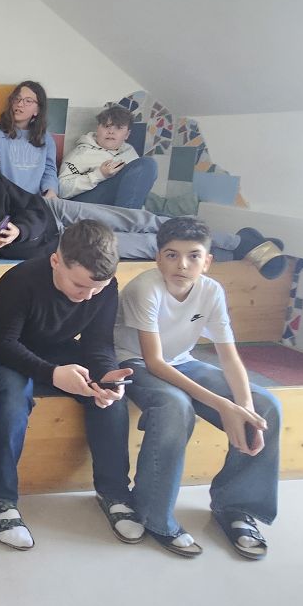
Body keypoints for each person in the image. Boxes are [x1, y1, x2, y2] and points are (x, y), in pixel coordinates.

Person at [0, 220, 140, 549]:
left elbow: (98, 343)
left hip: (52, 344)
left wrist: (106, 374)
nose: (87, 296)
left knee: (108, 396)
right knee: (13, 396)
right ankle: (0, 498)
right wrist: (52, 374)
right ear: (56, 261)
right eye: (80, 285)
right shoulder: (21, 279)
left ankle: (115, 493)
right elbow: (4, 344)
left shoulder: (104, 287)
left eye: (97, 288)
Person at [115, 217, 280, 559]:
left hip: (182, 361)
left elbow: (229, 357)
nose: (182, 265)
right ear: (158, 258)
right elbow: (154, 362)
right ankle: (154, 516)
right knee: (175, 407)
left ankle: (236, 506)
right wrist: (223, 405)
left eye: (193, 256)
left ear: (207, 261)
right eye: (171, 255)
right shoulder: (145, 289)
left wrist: (245, 407)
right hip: (136, 363)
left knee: (266, 406)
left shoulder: (212, 291)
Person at [0, 128, 261, 273]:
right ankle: (228, 252)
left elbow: (28, 204)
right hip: (55, 244)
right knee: (142, 244)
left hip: (52, 211)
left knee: (139, 219)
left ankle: (236, 241)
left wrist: (20, 228)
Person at [59, 104, 157, 209]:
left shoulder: (130, 153)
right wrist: (99, 174)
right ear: (98, 129)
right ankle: (127, 217)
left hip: (117, 206)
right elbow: (61, 190)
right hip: (85, 203)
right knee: (147, 163)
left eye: (118, 128)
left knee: (148, 164)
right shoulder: (81, 153)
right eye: (106, 126)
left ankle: (129, 216)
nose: (111, 132)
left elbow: (135, 191)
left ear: (127, 134)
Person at [0, 80, 58, 196]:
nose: (19, 104)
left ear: (37, 110)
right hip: (4, 197)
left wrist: (51, 191)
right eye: (17, 99)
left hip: (35, 200)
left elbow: (49, 169)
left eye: (28, 101)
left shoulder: (46, 138)